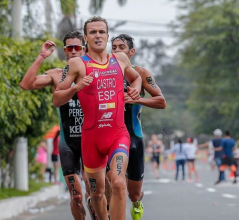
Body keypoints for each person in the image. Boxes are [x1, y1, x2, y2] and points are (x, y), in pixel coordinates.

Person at [52, 16, 142, 220]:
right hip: (91, 141)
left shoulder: (120, 60)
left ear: (108, 36)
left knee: (118, 183)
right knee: (97, 193)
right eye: (93, 32)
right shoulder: (76, 64)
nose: (98, 36)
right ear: (86, 37)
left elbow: (135, 78)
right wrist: (76, 87)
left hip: (118, 135)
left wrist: (135, 91)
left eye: (101, 32)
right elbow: (57, 98)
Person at [20, 31, 93, 220]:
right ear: (65, 51)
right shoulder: (56, 75)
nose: (74, 52)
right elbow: (26, 84)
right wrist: (42, 56)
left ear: (84, 49)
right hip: (68, 143)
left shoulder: (95, 73)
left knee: (94, 192)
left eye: (78, 47)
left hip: (92, 141)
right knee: (76, 195)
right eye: (70, 48)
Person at [111, 33, 166, 220]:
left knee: (133, 193)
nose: (117, 51)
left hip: (133, 137)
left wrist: (137, 99)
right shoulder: (104, 71)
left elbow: (161, 101)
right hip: (109, 138)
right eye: (114, 48)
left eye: (121, 47)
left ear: (131, 52)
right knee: (113, 186)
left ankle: (136, 203)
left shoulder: (140, 73)